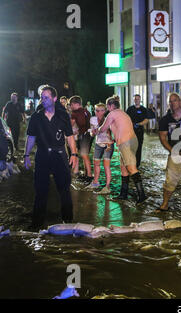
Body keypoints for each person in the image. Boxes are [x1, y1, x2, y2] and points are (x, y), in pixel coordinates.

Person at [23, 85, 79, 230]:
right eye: (42, 97)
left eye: (46, 97)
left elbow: (70, 136)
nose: (43, 100)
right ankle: (36, 225)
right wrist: (26, 155)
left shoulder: (63, 115)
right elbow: (31, 137)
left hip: (60, 155)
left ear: (54, 98)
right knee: (40, 191)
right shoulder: (36, 117)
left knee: (64, 190)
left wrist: (73, 154)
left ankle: (68, 221)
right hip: (42, 156)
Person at [98, 96, 147, 203]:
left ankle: (142, 195)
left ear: (111, 106)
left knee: (131, 168)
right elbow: (120, 129)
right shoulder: (123, 113)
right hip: (132, 141)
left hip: (126, 143)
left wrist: (95, 130)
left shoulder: (112, 113)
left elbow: (103, 128)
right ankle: (123, 194)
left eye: (107, 106)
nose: (107, 109)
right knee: (124, 168)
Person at [86, 103, 114, 194]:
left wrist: (109, 145)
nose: (99, 112)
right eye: (97, 110)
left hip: (108, 144)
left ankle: (107, 186)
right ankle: (95, 183)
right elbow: (92, 133)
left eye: (101, 110)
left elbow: (110, 134)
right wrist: (92, 132)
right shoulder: (93, 119)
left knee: (106, 165)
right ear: (94, 111)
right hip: (98, 143)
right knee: (96, 163)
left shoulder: (108, 119)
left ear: (105, 111)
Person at [69, 96, 93, 183]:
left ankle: (89, 175)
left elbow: (70, 126)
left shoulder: (75, 113)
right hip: (88, 135)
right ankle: (87, 174)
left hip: (83, 135)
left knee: (84, 155)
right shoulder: (86, 111)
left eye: (71, 104)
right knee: (85, 155)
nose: (71, 106)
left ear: (76, 104)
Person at [126, 94, 149, 168]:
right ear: (133, 100)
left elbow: (146, 120)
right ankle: (131, 162)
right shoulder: (130, 109)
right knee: (131, 147)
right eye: (135, 99)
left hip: (139, 131)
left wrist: (139, 124)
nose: (136, 100)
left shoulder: (143, 109)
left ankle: (137, 164)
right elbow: (126, 119)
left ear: (140, 100)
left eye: (138, 99)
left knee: (139, 148)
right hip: (131, 131)